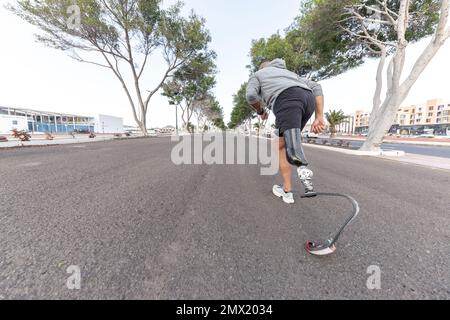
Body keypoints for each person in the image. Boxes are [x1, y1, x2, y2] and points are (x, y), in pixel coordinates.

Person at [246, 58, 326, 204]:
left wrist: (260, 110)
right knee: (280, 144)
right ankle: (286, 189)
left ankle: (302, 170)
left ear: (261, 69)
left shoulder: (258, 75)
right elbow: (316, 86)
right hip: (308, 100)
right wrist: (319, 116)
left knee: (291, 147)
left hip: (287, 100)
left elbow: (251, 95)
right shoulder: (290, 74)